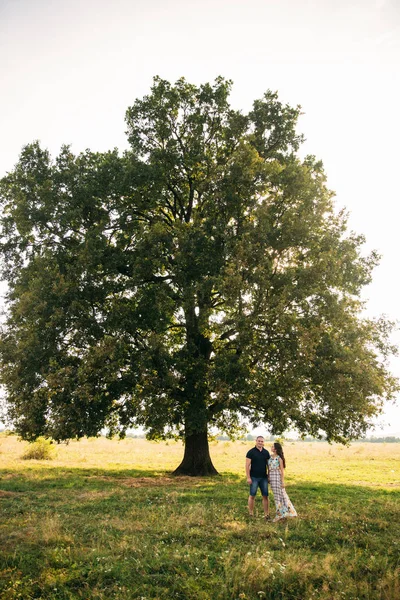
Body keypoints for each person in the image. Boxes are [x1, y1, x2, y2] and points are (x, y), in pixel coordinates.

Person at [268, 442, 297, 522]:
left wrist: (282, 482)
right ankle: (282, 513)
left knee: (282, 495)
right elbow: (269, 468)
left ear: (276, 449)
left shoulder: (279, 458)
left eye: (273, 446)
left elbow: (282, 471)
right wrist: (268, 477)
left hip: (277, 477)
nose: (271, 447)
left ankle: (283, 514)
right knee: (276, 496)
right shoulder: (270, 457)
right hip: (272, 478)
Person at [245, 435, 270, 519]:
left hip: (264, 478)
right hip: (253, 477)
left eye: (262, 441)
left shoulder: (266, 452)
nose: (260, 442)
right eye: (259, 441)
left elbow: (269, 466)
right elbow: (247, 465)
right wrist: (248, 477)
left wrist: (268, 476)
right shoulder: (251, 452)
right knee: (252, 495)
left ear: (264, 442)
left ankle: (267, 514)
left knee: (265, 496)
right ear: (256, 441)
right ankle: (251, 513)